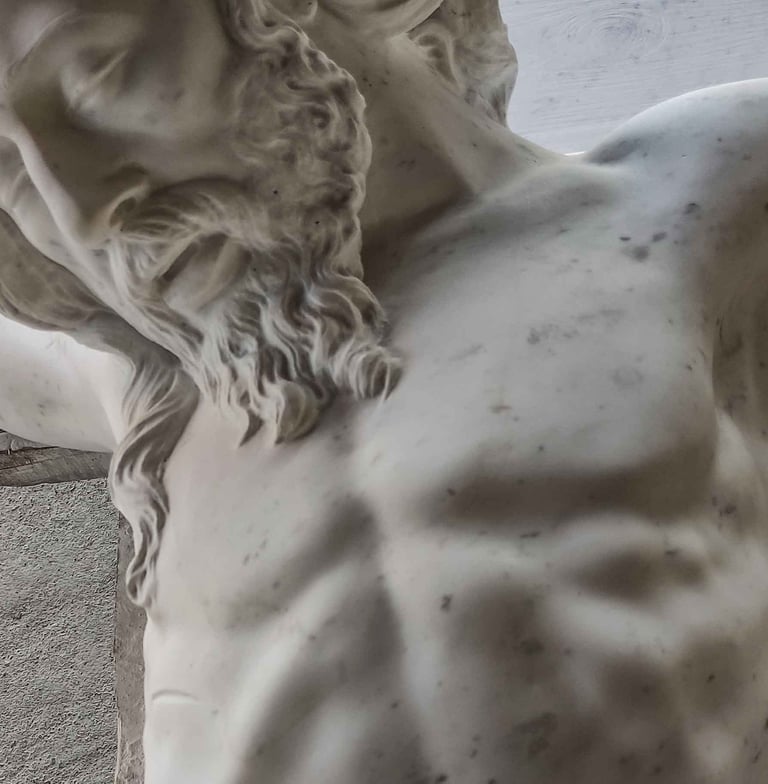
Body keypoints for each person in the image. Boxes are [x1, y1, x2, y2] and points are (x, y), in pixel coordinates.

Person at [1, 1, 768, 781]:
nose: (84, 210)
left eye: (97, 73)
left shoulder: (698, 195)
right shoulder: (153, 386)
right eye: (6, 164)